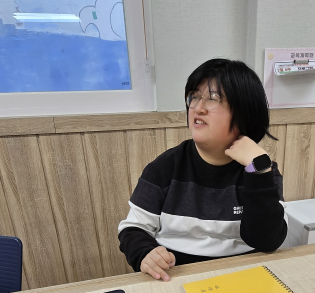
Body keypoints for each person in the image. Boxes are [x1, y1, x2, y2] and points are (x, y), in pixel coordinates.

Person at [118, 58, 288, 281]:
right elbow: (133, 229)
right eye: (194, 97)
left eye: (213, 99)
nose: (197, 108)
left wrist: (258, 171)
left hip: (245, 275)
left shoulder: (262, 171)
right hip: (176, 276)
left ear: (244, 112)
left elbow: (268, 241)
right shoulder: (165, 168)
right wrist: (145, 254)